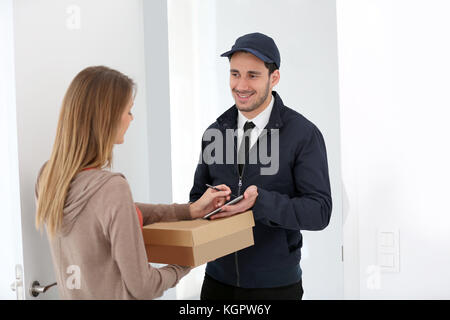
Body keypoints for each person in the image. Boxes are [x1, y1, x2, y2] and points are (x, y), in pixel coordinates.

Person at [35, 66, 232, 300]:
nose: (131, 118)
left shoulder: (48, 178)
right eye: (128, 111)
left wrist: (188, 210)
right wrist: (186, 261)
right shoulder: (111, 187)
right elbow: (144, 287)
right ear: (108, 118)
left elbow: (109, 211)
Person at [190, 32, 332, 300]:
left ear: (274, 77)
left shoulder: (303, 134)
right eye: (234, 74)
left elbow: (320, 211)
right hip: (217, 282)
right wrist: (209, 204)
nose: (241, 85)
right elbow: (197, 197)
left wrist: (259, 203)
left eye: (252, 75)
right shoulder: (215, 132)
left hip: (276, 287)